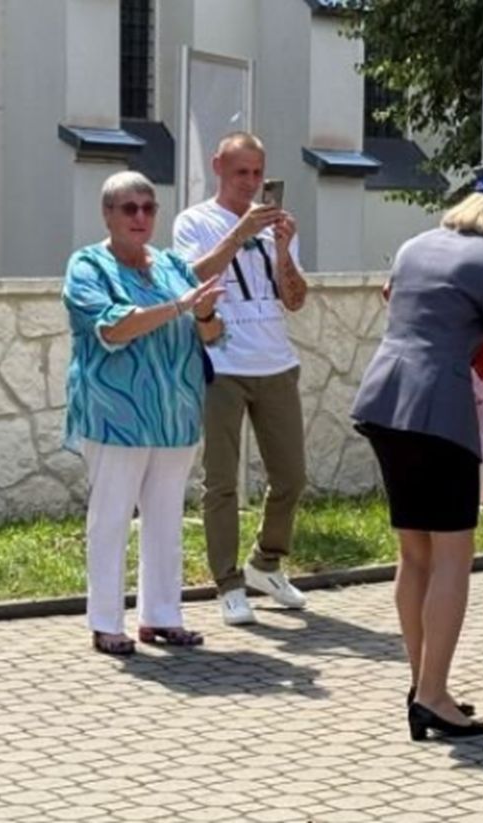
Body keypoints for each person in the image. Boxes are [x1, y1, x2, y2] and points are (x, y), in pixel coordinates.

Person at [351, 165, 483, 740]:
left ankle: (423, 684)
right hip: (440, 414)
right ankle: (434, 694)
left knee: (413, 554)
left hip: (385, 405)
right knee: (452, 558)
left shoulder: (416, 246)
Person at [62, 171, 225, 655]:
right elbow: (112, 329)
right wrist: (179, 306)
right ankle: (107, 623)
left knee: (165, 519)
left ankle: (161, 616)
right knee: (111, 518)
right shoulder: (88, 265)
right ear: (108, 214)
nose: (140, 217)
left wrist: (203, 315)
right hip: (116, 417)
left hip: (175, 416)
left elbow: (213, 335)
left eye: (149, 208)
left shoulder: (173, 264)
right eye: (129, 208)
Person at [173, 132, 310, 626]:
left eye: (257, 173)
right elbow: (188, 281)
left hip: (275, 362)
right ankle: (228, 583)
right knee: (221, 483)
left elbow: (294, 299)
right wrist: (237, 236)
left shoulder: (274, 226)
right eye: (240, 173)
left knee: (291, 477)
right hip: (222, 365)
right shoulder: (195, 221)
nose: (250, 183)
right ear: (218, 167)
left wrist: (285, 249)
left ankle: (265, 563)